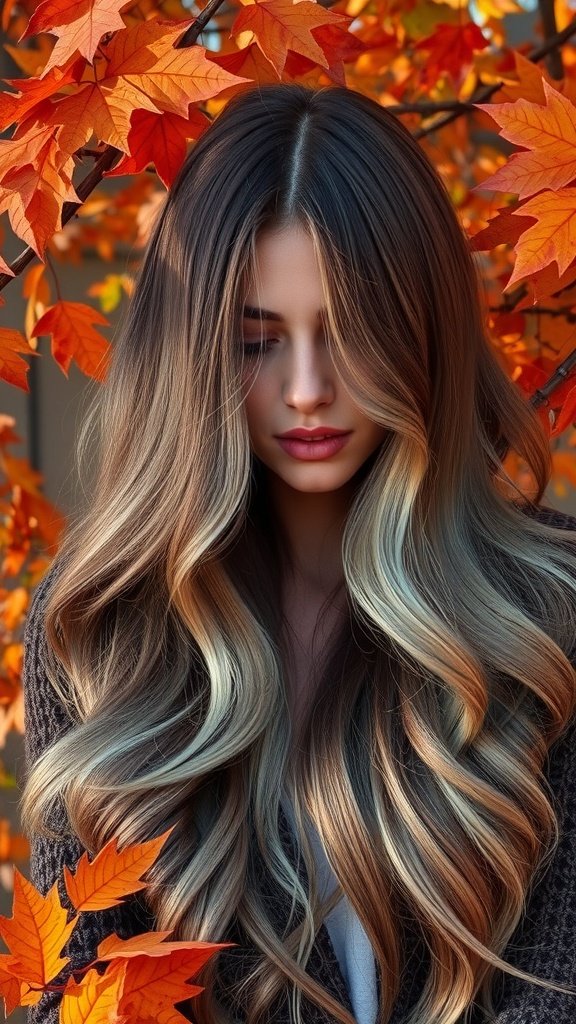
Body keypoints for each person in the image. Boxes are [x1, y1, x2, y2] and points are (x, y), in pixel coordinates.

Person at [20, 82, 576, 1024]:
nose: (309, 389)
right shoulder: (101, 631)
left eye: (351, 334)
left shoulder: (548, 610)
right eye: (256, 341)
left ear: (422, 334)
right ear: (191, 355)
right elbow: (81, 995)